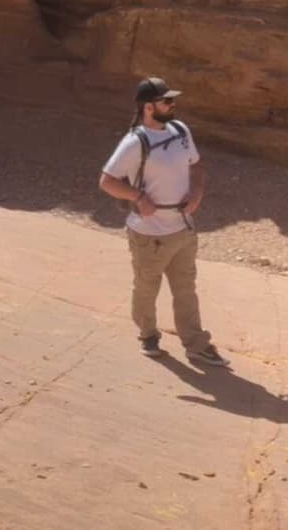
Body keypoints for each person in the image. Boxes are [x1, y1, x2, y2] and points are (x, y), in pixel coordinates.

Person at [97, 77, 221, 364]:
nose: (173, 104)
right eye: (167, 101)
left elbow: (197, 166)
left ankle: (196, 344)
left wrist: (197, 192)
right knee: (146, 287)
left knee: (186, 289)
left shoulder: (180, 130)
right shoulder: (134, 142)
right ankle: (148, 334)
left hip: (182, 228)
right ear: (148, 107)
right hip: (148, 235)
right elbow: (107, 181)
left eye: (172, 99)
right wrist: (139, 198)